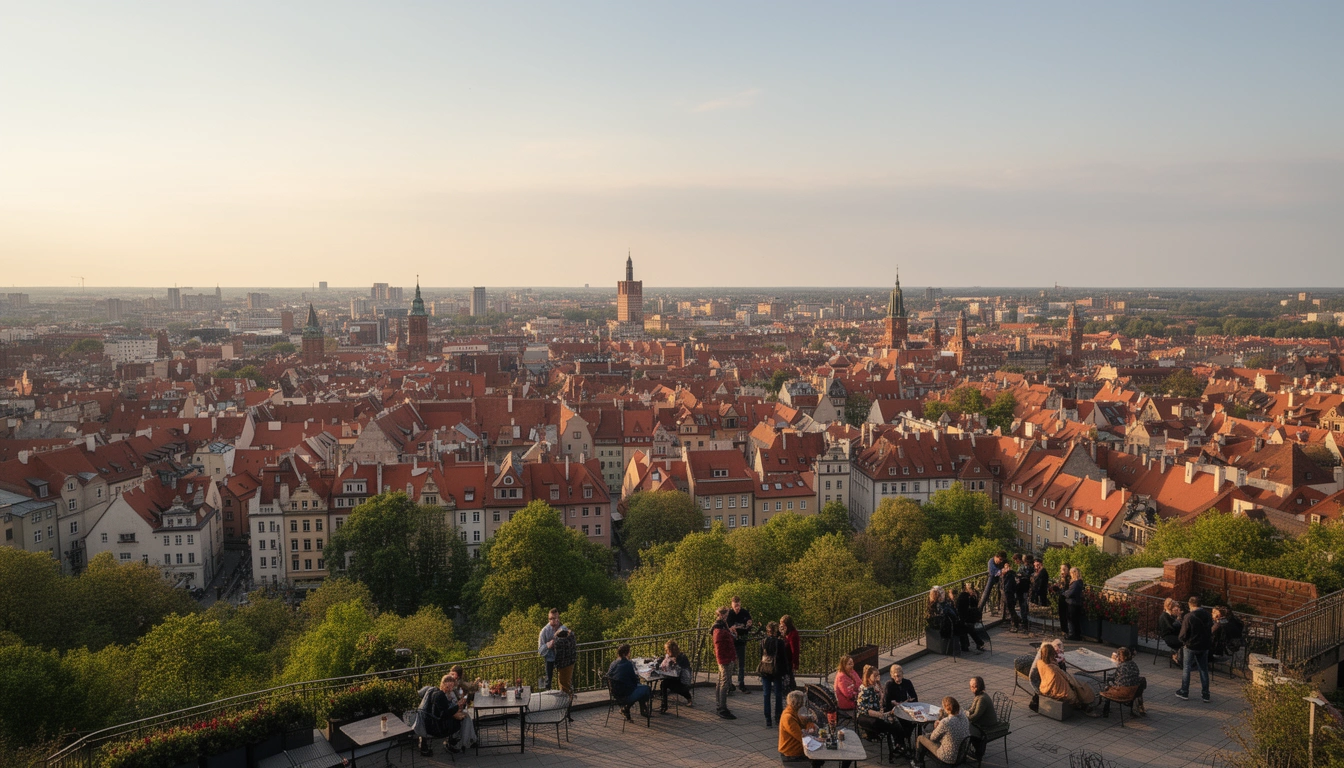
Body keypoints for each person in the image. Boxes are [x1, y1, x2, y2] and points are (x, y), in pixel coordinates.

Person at [779, 689, 854, 768]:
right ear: (799, 703)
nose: (804, 704)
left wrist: (810, 725)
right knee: (823, 751)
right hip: (792, 752)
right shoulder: (788, 717)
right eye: (803, 702)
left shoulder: (795, 711)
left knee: (823, 751)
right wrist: (817, 739)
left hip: (800, 746)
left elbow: (806, 721)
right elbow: (801, 737)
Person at [1036, 643, 1097, 712]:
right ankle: (1083, 704)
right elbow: (1065, 678)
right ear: (1051, 653)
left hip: (1044, 688)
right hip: (1060, 692)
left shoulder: (1039, 663)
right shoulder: (1053, 668)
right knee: (1078, 686)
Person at [416, 673, 466, 756]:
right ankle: (451, 742)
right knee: (459, 722)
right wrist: (457, 706)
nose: (451, 688)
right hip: (438, 728)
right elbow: (445, 715)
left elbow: (442, 710)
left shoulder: (434, 691)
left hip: (429, 723)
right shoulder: (441, 695)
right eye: (449, 686)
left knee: (458, 718)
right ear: (443, 685)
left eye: (451, 686)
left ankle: (451, 742)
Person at [855, 664, 898, 757]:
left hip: (876, 712)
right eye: (875, 676)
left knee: (895, 721)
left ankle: (898, 744)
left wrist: (881, 696)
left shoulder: (875, 687)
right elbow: (867, 711)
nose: (878, 678)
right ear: (868, 676)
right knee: (891, 724)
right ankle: (895, 746)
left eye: (878, 675)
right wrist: (883, 715)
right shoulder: (865, 690)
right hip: (865, 716)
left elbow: (880, 704)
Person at [915, 696, 970, 767]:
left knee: (920, 738)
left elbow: (933, 738)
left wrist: (936, 726)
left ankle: (918, 763)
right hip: (961, 754)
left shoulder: (946, 722)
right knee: (928, 736)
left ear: (947, 709)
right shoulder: (964, 717)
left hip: (947, 756)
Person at [1177, 595, 1213, 703]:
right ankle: (1206, 694)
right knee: (1203, 669)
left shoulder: (1188, 617)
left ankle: (1184, 691)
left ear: (1190, 604)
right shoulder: (1207, 615)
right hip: (1204, 645)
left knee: (1187, 668)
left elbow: (1183, 634)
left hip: (1191, 646)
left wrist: (1184, 642)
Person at [608, 643, 653, 720]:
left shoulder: (613, 663)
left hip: (615, 694)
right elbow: (634, 680)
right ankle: (641, 709)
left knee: (640, 687)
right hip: (626, 695)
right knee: (647, 689)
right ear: (626, 653)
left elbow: (609, 675)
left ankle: (628, 708)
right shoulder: (628, 664)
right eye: (629, 652)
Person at [1100, 646, 1147, 717]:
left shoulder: (1121, 667)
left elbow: (1115, 678)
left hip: (1121, 693)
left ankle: (1106, 710)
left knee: (1107, 683)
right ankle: (1138, 707)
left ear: (1119, 657)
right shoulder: (1134, 665)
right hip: (1133, 693)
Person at [760, 622, 792, 726]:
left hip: (765, 670)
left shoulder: (763, 641)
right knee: (778, 693)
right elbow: (784, 658)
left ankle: (767, 717)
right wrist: (786, 671)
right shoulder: (780, 642)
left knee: (766, 694)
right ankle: (778, 716)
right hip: (777, 670)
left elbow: (761, 656)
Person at [883, 663, 918, 756]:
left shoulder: (907, 682)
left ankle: (904, 740)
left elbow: (915, 697)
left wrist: (909, 701)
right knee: (901, 723)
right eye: (895, 676)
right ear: (891, 676)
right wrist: (893, 703)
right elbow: (886, 702)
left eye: (899, 676)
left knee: (913, 721)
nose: (898, 679)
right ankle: (901, 742)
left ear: (902, 674)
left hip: (906, 708)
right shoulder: (889, 685)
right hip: (893, 711)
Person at [712, 606, 738, 719]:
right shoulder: (719, 628)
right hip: (725, 658)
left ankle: (720, 705)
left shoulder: (720, 626)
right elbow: (726, 640)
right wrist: (731, 635)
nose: (727, 617)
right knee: (724, 682)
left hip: (724, 657)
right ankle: (722, 708)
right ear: (721, 615)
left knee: (721, 681)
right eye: (726, 615)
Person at [965, 677, 998, 761]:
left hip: (987, 724)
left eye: (971, 686)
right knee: (967, 725)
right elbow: (972, 709)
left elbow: (976, 716)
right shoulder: (980, 695)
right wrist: (965, 713)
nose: (970, 688)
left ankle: (979, 752)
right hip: (982, 720)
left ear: (975, 687)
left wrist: (965, 719)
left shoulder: (982, 699)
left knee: (967, 728)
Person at [657, 639, 694, 713]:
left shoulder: (680, 659)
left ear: (671, 650)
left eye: (667, 650)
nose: (666, 652)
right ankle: (663, 700)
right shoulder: (674, 656)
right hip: (676, 679)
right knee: (664, 683)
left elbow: (676, 674)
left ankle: (664, 705)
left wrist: (667, 669)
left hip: (683, 682)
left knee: (664, 684)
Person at [728, 595, 754, 693]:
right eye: (735, 606)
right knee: (730, 664)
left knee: (741, 665)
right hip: (731, 642)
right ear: (732, 605)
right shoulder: (729, 614)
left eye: (738, 606)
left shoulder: (745, 613)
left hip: (741, 641)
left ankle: (741, 684)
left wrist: (749, 624)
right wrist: (735, 628)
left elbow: (749, 625)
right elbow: (728, 627)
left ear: (740, 604)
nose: (737, 608)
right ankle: (729, 684)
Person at [537, 608, 568, 689]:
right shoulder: (544, 631)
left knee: (564, 679)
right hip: (549, 658)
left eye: (554, 618)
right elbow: (540, 650)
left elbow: (570, 643)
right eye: (550, 619)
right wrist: (548, 645)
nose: (553, 620)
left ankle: (565, 696)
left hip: (561, 658)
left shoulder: (564, 629)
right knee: (548, 680)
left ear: (558, 618)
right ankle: (548, 697)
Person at [954, 583, 987, 652]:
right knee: (969, 628)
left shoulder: (964, 597)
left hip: (965, 619)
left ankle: (967, 645)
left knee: (967, 628)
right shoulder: (967, 598)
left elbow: (962, 610)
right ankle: (978, 643)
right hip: (967, 619)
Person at [1158, 598, 1185, 664]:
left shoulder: (1171, 615)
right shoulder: (1164, 616)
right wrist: (1178, 620)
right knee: (1184, 642)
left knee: (1185, 640)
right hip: (1168, 637)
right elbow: (1171, 628)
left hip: (1175, 635)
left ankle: (1178, 656)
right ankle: (1177, 657)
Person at [552, 627, 577, 697]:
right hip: (571, 662)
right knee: (568, 681)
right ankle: (570, 696)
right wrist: (568, 631)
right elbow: (572, 633)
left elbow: (555, 639)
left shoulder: (559, 642)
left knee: (563, 683)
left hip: (563, 665)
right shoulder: (570, 639)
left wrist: (556, 633)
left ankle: (566, 699)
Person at [1063, 567, 1085, 641]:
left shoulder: (1076, 583)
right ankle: (1075, 634)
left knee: (1072, 619)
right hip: (1074, 602)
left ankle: (1072, 634)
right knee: (1074, 619)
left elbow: (1071, 593)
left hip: (1073, 603)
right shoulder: (1078, 582)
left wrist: (1064, 593)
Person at [1001, 555, 1021, 631]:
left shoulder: (1009, 575)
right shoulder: (1012, 574)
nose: (1004, 569)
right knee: (1011, 609)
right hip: (1011, 594)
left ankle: (1015, 624)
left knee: (1011, 609)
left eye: (1005, 567)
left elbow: (1007, 586)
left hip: (1008, 594)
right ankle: (1016, 621)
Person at [781, 614, 801, 690]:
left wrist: (794, 663)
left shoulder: (793, 635)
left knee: (789, 679)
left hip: (789, 661)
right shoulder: (787, 633)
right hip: (786, 660)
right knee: (788, 678)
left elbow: (795, 650)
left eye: (782, 624)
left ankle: (791, 692)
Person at [1053, 562, 1072, 637]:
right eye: (1061, 569)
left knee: (1066, 615)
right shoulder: (1061, 578)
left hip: (1067, 599)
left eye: (1064, 569)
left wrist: (1060, 589)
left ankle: (1067, 631)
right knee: (1061, 615)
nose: (1062, 571)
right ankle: (1063, 630)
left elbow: (1067, 590)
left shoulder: (1069, 579)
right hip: (1061, 598)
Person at [1017, 555, 1034, 632]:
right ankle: (1025, 622)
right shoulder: (1031, 568)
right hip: (1025, 588)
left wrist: (1019, 576)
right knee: (1024, 605)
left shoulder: (1026, 568)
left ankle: (1024, 623)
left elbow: (1023, 575)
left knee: (1023, 605)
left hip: (1023, 587)